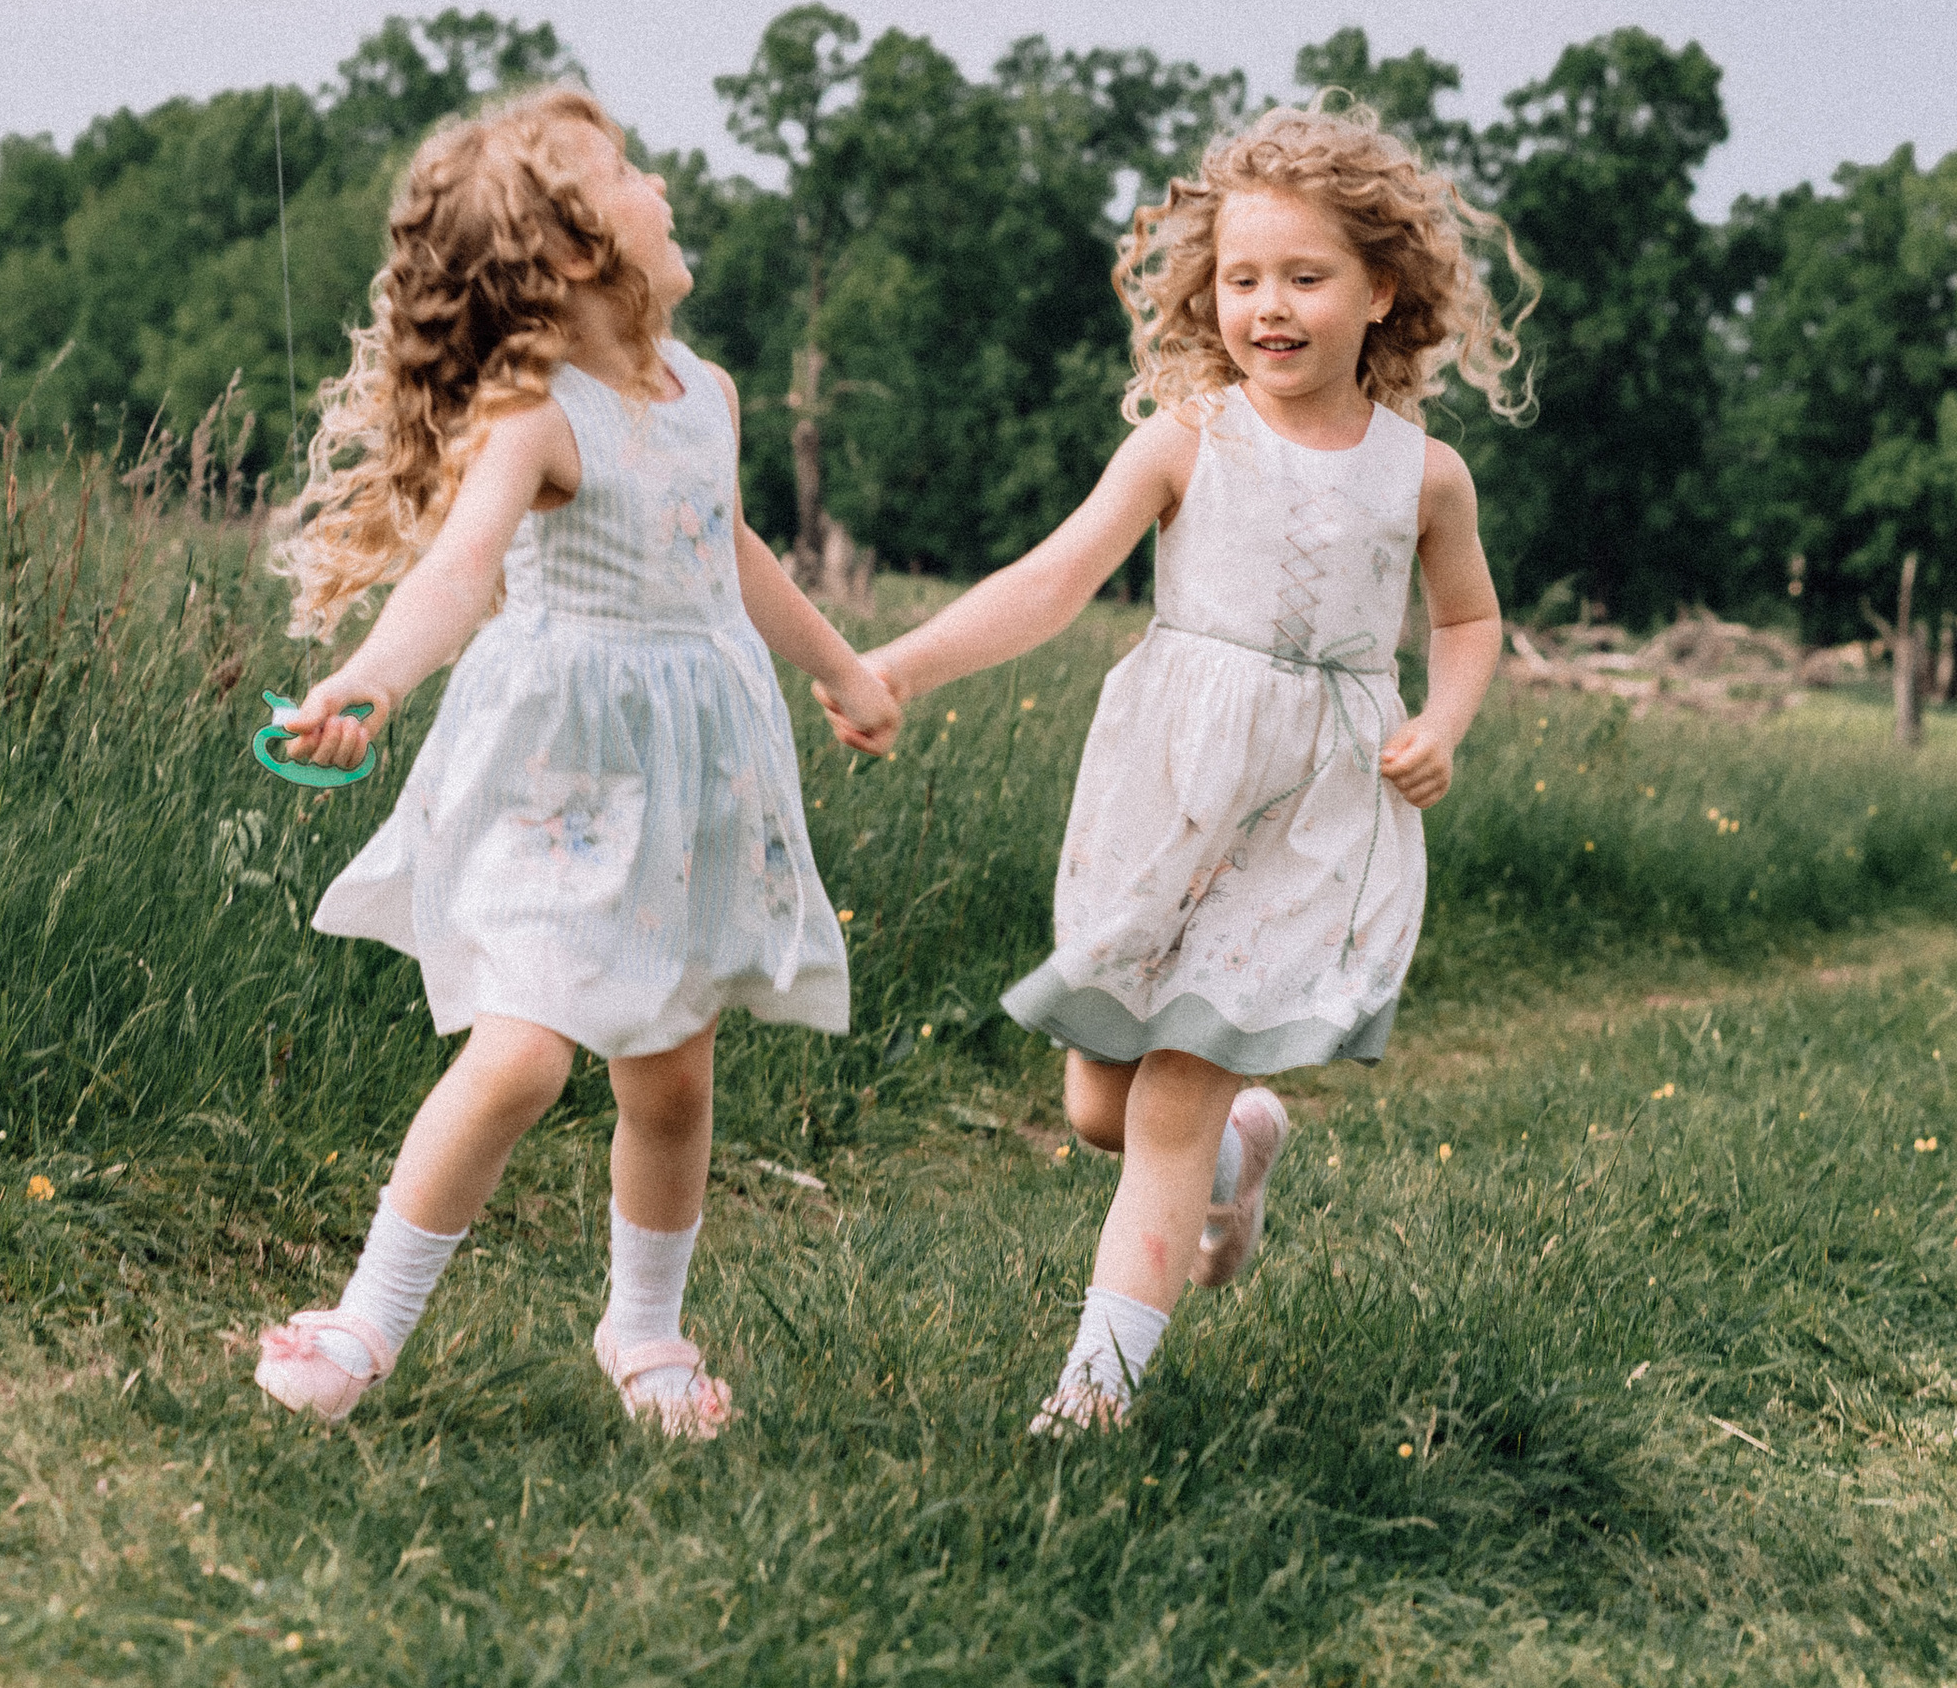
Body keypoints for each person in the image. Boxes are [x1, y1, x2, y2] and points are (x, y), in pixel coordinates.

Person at [820, 101, 1524, 1434]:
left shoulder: (1424, 475)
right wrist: (898, 664)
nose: (1268, 303)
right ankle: (1245, 1145)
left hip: (1315, 816)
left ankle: (1096, 1394)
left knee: (1169, 1102)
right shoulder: (1184, 440)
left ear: (1381, 288)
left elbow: (1470, 618)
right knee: (1104, 1099)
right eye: (1243, 276)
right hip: (1167, 799)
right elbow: (1053, 580)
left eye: (1305, 276)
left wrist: (1443, 721)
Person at [252, 84, 901, 1437]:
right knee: (522, 1054)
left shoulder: (706, 393)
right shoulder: (535, 411)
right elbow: (457, 571)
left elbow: (734, 553)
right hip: (559, 770)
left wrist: (842, 665)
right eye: (629, 174)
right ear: (571, 251)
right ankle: (364, 1317)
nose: (661, 186)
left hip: (689, 769)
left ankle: (647, 1324)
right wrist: (371, 674)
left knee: (671, 1072)